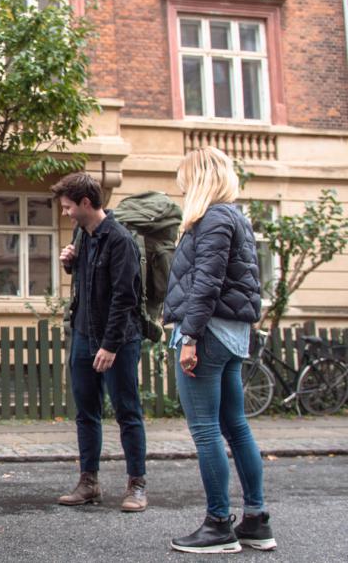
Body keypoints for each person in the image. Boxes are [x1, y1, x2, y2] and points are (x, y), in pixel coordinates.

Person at [164, 147, 275, 554]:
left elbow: (206, 283)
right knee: (236, 426)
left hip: (206, 332)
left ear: (198, 179)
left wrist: (189, 337)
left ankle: (217, 525)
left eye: (184, 180)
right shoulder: (237, 217)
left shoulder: (211, 219)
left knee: (207, 430)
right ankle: (256, 521)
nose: (181, 188)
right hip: (231, 334)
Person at [51, 172, 148, 512]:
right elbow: (88, 284)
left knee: (127, 412)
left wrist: (109, 345)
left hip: (117, 340)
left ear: (86, 203)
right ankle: (88, 482)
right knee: (86, 412)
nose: (65, 213)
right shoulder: (83, 234)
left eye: (68, 207)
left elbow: (125, 298)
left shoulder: (120, 240)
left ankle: (137, 485)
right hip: (82, 334)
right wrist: (70, 264)